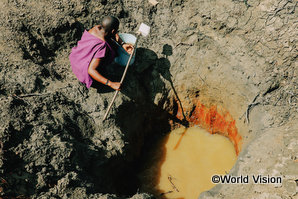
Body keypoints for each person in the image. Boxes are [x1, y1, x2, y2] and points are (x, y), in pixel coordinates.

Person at [69, 16, 133, 91]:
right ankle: (98, 82)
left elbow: (113, 34)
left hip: (76, 59)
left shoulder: (97, 28)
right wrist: (110, 83)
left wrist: (123, 44)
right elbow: (91, 70)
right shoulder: (102, 46)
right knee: (109, 52)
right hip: (83, 71)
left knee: (111, 44)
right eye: (116, 30)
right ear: (113, 31)